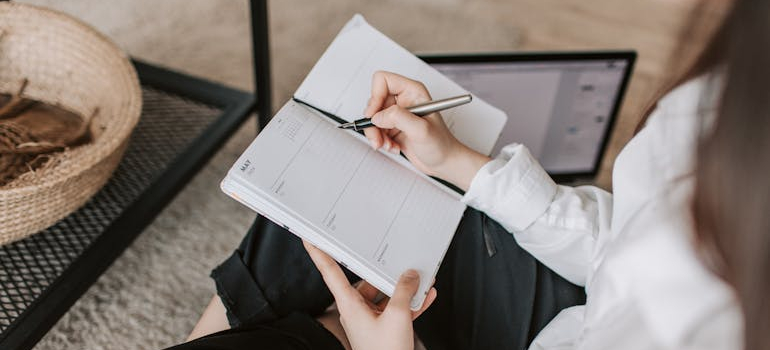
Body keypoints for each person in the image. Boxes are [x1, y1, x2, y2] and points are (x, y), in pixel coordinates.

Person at [167, 0, 769, 348]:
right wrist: (462, 164)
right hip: (575, 318)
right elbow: (623, 243)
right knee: (345, 187)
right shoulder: (729, 97)